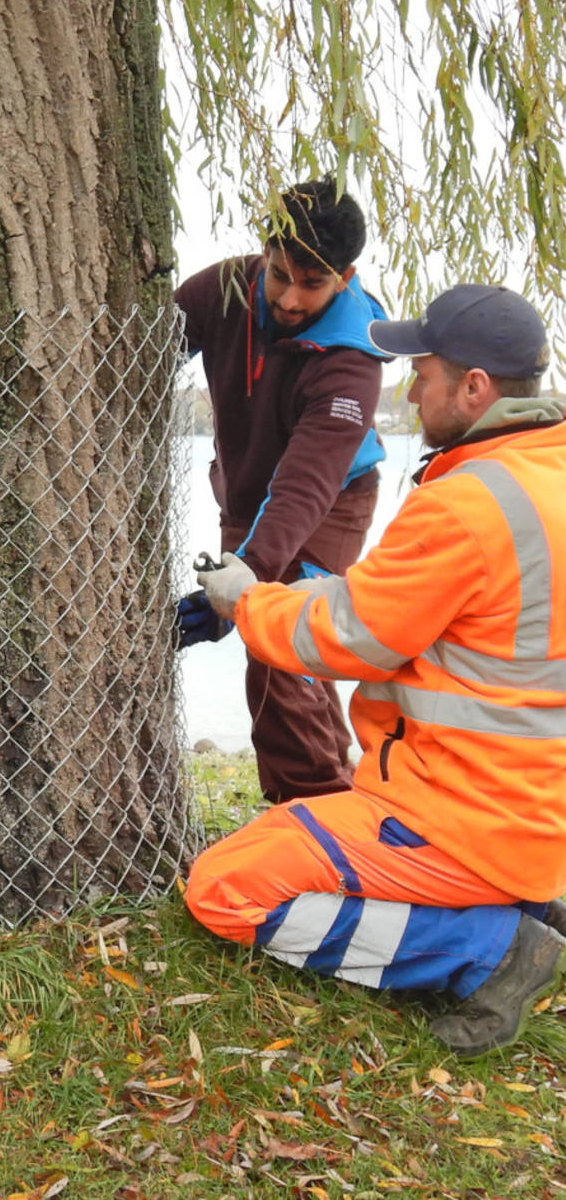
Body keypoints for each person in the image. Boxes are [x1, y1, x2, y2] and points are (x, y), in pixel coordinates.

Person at [185, 283, 566, 1057]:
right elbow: (421, 611)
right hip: (529, 811)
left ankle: (489, 949)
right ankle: (524, 898)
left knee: (223, 887)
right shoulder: (542, 477)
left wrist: (244, 600)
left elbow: (346, 639)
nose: (409, 390)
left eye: (421, 374)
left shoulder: (467, 502)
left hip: (453, 815)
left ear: (473, 387)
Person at [175, 177, 391, 805]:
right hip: (244, 494)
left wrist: (246, 580)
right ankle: (349, 797)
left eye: (313, 284)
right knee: (289, 640)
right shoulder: (222, 290)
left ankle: (309, 811)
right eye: (278, 275)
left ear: (345, 276)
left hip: (332, 501)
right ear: (263, 254)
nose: (290, 298)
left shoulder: (353, 359)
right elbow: (140, 352)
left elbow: (305, 485)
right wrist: (239, 580)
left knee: (281, 642)